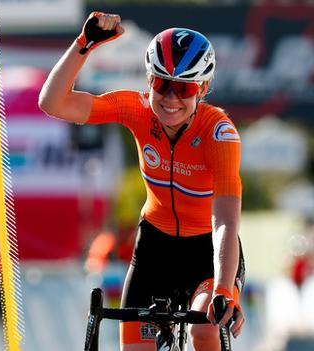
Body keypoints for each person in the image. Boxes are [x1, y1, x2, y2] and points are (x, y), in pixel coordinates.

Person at [39, 12, 245, 351]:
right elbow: (52, 103)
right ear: (149, 79)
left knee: (204, 329)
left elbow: (225, 218)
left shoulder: (218, 132)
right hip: (155, 247)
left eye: (184, 88)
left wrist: (224, 288)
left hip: (207, 250)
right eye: (162, 84)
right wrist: (84, 45)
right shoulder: (135, 109)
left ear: (203, 88)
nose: (171, 98)